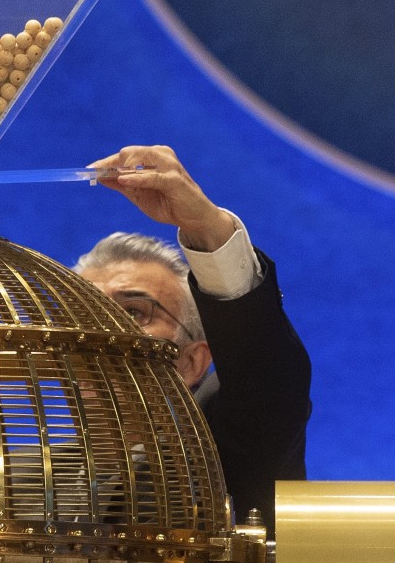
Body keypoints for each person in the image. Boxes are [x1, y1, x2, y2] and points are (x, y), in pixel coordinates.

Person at [73, 145, 311, 538]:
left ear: (192, 362)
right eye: (85, 312)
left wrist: (206, 228)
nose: (103, 331)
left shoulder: (228, 450)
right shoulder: (11, 474)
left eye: (134, 312)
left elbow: (265, 373)